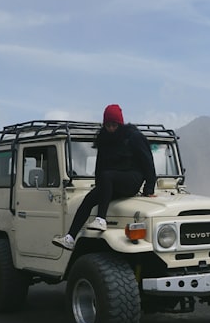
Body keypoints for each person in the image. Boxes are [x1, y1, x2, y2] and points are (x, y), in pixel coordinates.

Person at [52, 104, 157, 250]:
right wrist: (99, 186)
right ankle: (70, 238)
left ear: (120, 124)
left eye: (114, 125)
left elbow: (148, 162)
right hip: (112, 182)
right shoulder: (104, 139)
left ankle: (101, 219)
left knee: (107, 176)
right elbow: (100, 166)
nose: (111, 128)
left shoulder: (133, 137)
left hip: (132, 179)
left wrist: (149, 188)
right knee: (88, 199)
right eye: (108, 125)